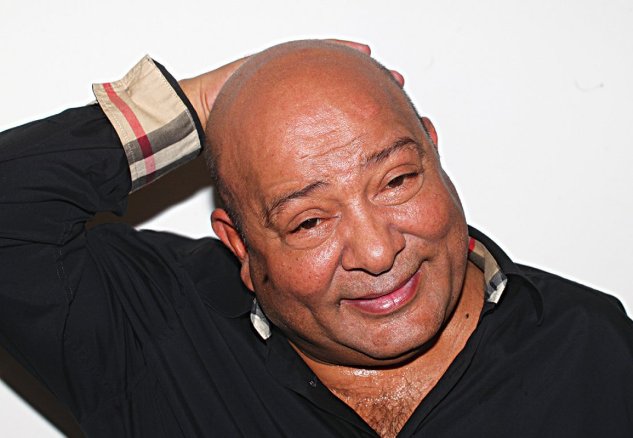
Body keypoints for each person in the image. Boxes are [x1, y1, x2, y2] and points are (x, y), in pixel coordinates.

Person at [0, 39, 631, 438]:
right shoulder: (154, 335)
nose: (378, 252)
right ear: (239, 246)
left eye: (396, 181)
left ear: (434, 153)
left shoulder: (593, 350)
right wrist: (199, 103)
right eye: (309, 222)